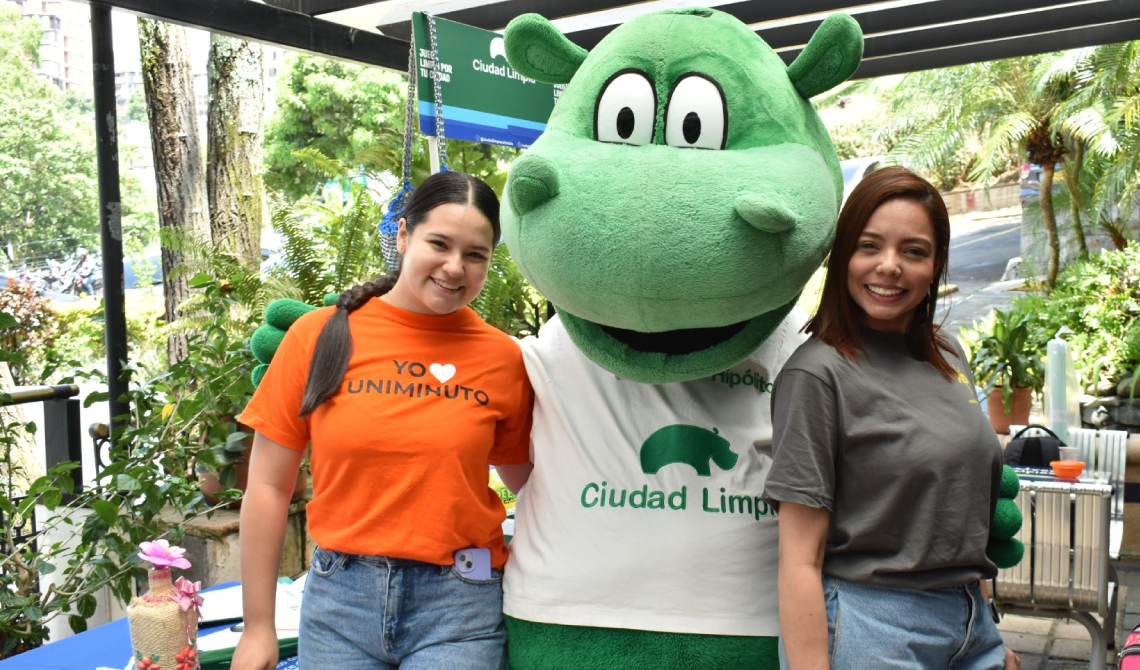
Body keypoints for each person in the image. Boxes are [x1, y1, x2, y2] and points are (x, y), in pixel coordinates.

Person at [231, 171, 534, 669]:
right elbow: (266, 487)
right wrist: (258, 628)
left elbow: (532, 487)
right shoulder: (318, 336)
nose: (455, 268)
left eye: (475, 254)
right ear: (402, 234)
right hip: (339, 605)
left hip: (460, 606)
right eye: (439, 243)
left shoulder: (503, 358)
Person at [763, 167, 1019, 670]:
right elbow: (799, 560)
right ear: (843, 259)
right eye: (869, 246)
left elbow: (957, 504)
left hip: (967, 621)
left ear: (936, 263)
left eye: (913, 251)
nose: (889, 266)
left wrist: (985, 629)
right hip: (870, 627)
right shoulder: (817, 375)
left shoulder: (948, 353)